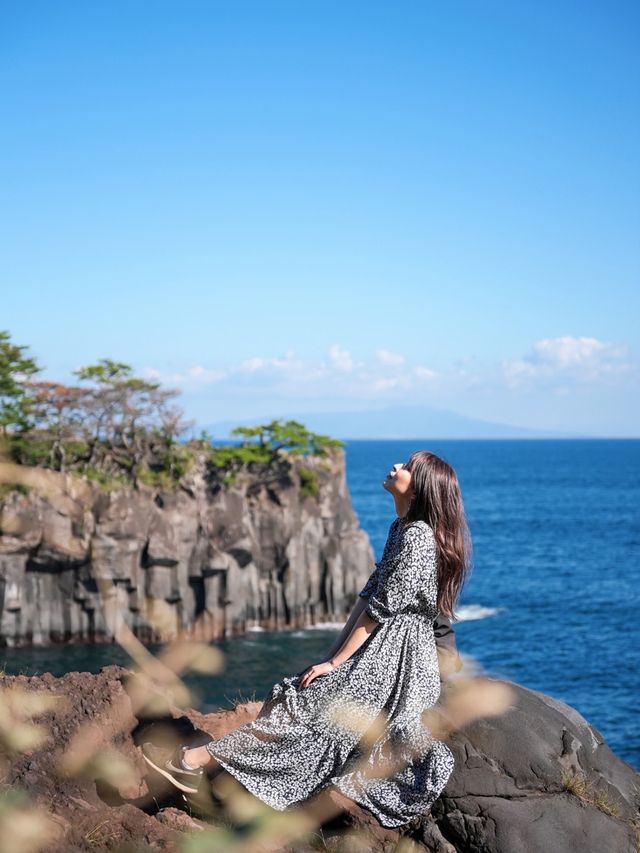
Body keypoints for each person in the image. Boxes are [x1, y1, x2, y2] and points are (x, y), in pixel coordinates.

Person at [143, 450, 472, 828]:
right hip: (378, 644)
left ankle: (196, 762)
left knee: (309, 711)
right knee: (300, 695)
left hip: (401, 658)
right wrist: (333, 655)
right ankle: (218, 773)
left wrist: (335, 663)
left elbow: (380, 610)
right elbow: (368, 597)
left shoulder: (417, 537)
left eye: (408, 468)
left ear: (418, 489)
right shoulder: (401, 529)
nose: (396, 466)